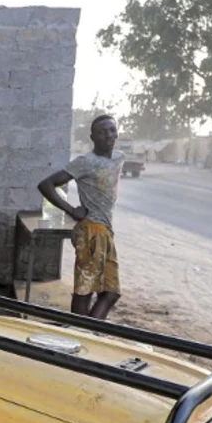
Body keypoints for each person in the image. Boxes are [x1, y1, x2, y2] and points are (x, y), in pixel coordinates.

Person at [37, 114, 125, 320]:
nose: (108, 135)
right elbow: (46, 185)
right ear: (92, 137)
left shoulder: (119, 157)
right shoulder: (85, 162)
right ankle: (85, 333)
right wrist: (71, 210)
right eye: (102, 132)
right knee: (85, 292)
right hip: (90, 231)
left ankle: (86, 331)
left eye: (112, 130)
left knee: (110, 292)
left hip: (105, 231)